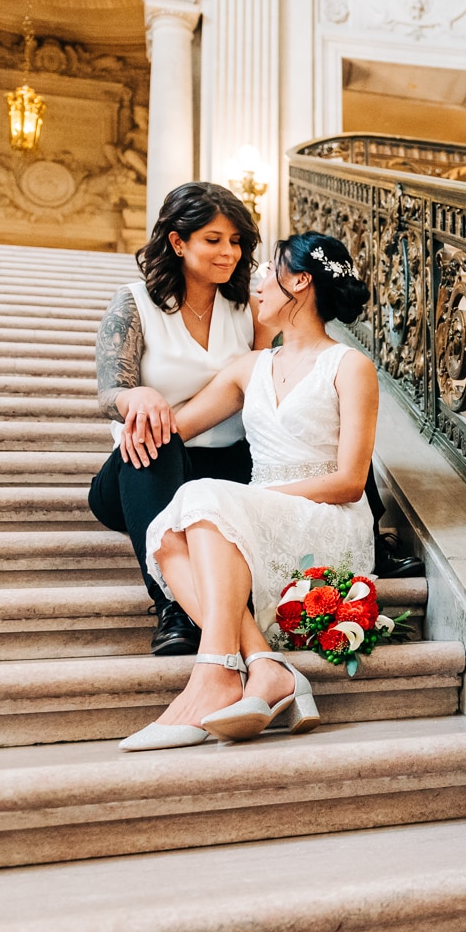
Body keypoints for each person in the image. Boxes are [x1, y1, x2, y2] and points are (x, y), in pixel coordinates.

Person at [120, 232, 377, 752]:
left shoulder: (351, 366)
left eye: (268, 272)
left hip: (327, 516)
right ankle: (263, 664)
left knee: (210, 498)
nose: (256, 283)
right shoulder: (247, 369)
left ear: (299, 281)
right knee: (165, 534)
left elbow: (351, 480)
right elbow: (173, 430)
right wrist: (134, 395)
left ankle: (214, 675)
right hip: (253, 518)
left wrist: (263, 499)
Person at [88, 182, 269, 656]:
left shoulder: (247, 306)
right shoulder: (134, 303)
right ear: (177, 241)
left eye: (236, 242)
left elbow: (268, 387)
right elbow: (110, 391)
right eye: (213, 240)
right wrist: (137, 397)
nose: (228, 252)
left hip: (227, 469)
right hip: (143, 470)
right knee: (155, 436)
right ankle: (171, 604)